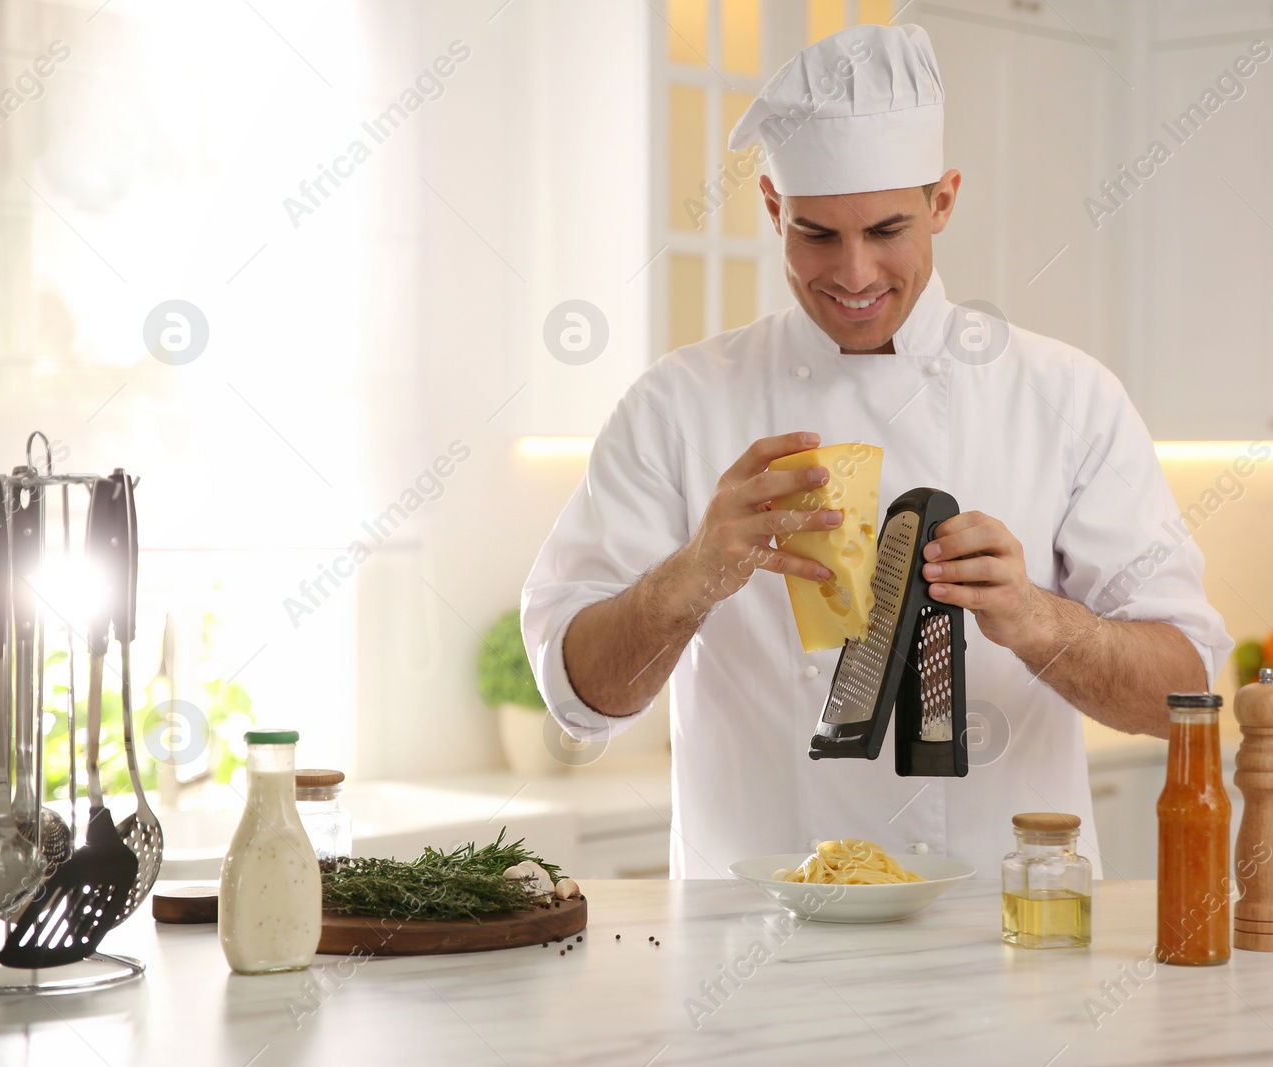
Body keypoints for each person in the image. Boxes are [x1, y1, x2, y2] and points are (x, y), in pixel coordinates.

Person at [523, 23, 1232, 878]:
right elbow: (580, 698)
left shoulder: (1067, 398)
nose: (855, 273)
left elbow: (1186, 697)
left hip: (1001, 942)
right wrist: (694, 572)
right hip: (752, 951)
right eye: (818, 234)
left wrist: (1035, 618)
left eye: (888, 228)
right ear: (775, 208)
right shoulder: (679, 403)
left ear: (944, 200)